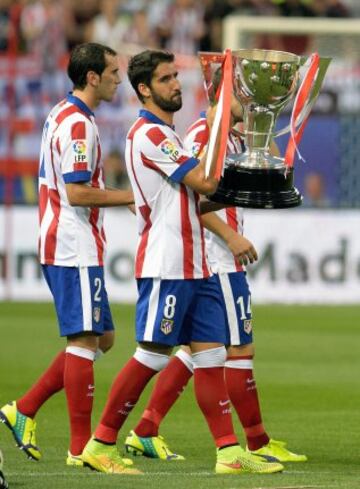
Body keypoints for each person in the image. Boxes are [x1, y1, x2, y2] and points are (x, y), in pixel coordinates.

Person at [81, 49, 283, 476]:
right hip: (167, 262)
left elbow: (206, 192)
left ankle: (228, 452)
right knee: (151, 355)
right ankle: (101, 442)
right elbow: (205, 182)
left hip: (197, 264)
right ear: (144, 89)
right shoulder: (150, 135)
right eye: (165, 79)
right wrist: (218, 130)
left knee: (210, 359)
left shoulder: (168, 136)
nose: (176, 84)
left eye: (176, 76)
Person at [124, 96, 307, 464]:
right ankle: (256, 442)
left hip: (216, 257)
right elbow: (190, 197)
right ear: (226, 95)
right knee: (238, 350)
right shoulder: (201, 134)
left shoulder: (236, 137)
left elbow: (274, 172)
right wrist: (230, 236)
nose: (252, 101)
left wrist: (263, 122)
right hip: (215, 255)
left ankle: (146, 428)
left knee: (200, 349)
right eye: (245, 94)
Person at [0, 42, 134, 468]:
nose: (119, 77)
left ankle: (23, 410)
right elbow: (76, 192)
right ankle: (81, 450)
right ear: (92, 77)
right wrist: (131, 196)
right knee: (84, 341)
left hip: (71, 241)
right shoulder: (78, 125)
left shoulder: (63, 112)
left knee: (103, 338)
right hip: (71, 243)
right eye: (113, 71)